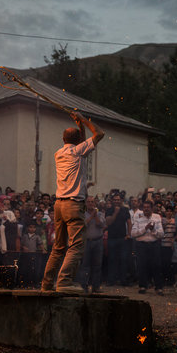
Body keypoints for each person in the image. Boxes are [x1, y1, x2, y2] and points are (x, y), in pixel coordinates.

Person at [41, 111, 104, 293]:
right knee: (76, 245)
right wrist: (84, 119)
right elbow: (99, 134)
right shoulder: (78, 152)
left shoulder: (59, 153)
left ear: (63, 139)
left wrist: (79, 126)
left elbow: (81, 141)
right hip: (73, 205)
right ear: (78, 142)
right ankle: (64, 282)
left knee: (58, 247)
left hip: (59, 204)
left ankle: (47, 284)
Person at [131, 200, 164, 294]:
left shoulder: (157, 217)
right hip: (141, 245)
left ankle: (158, 287)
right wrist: (145, 229)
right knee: (142, 266)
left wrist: (153, 230)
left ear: (152, 208)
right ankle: (142, 286)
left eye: (148, 207)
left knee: (156, 266)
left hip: (154, 244)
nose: (146, 209)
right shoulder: (138, 218)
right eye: (144, 207)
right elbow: (133, 234)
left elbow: (161, 234)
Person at [78, 196, 106, 293]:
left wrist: (96, 216)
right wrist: (91, 216)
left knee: (97, 265)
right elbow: (83, 225)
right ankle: (84, 286)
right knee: (85, 265)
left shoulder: (100, 214)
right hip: (86, 242)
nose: (90, 203)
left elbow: (102, 225)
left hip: (98, 241)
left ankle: (96, 286)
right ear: (86, 203)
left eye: (92, 202)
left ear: (95, 203)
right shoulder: (82, 214)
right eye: (88, 202)